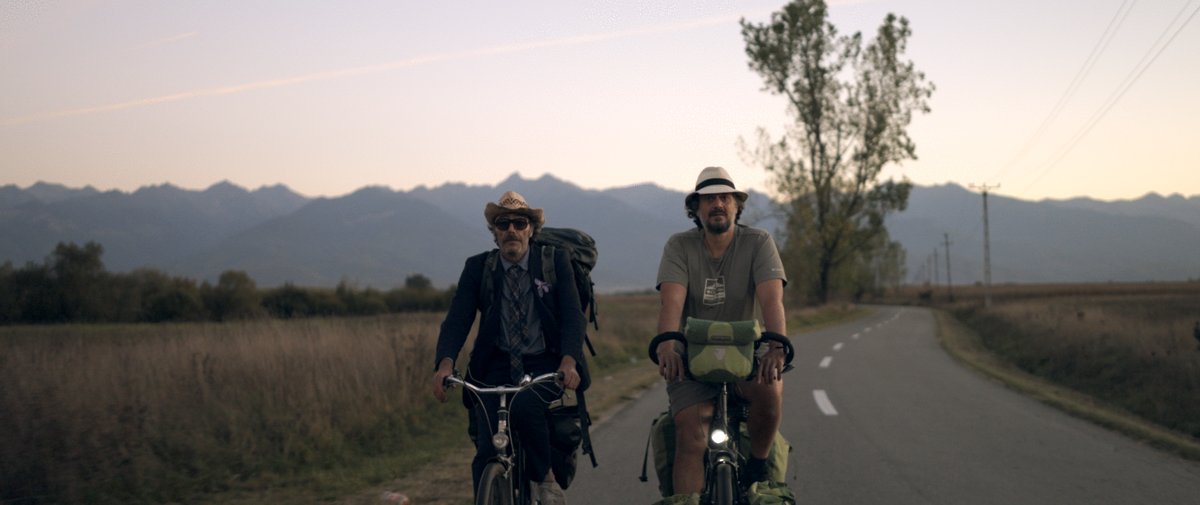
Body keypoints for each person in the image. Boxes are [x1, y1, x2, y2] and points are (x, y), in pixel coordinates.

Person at [432, 191, 589, 505]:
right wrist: (445, 364)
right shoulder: (479, 268)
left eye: (520, 223)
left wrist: (569, 361)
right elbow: (457, 320)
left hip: (546, 363)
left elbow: (573, 316)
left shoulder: (553, 262)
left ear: (531, 229)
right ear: (495, 232)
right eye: (503, 224)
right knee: (487, 450)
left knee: (525, 407)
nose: (512, 230)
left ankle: (546, 481)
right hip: (494, 366)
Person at [653, 166, 789, 496]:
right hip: (693, 355)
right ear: (695, 209)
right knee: (690, 434)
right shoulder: (680, 246)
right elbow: (671, 301)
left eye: (725, 198)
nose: (718, 204)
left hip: (746, 350)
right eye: (709, 198)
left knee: (770, 397)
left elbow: (772, 298)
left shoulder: (758, 241)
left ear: (736, 206)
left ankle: (756, 465)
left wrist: (776, 346)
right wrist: (668, 343)